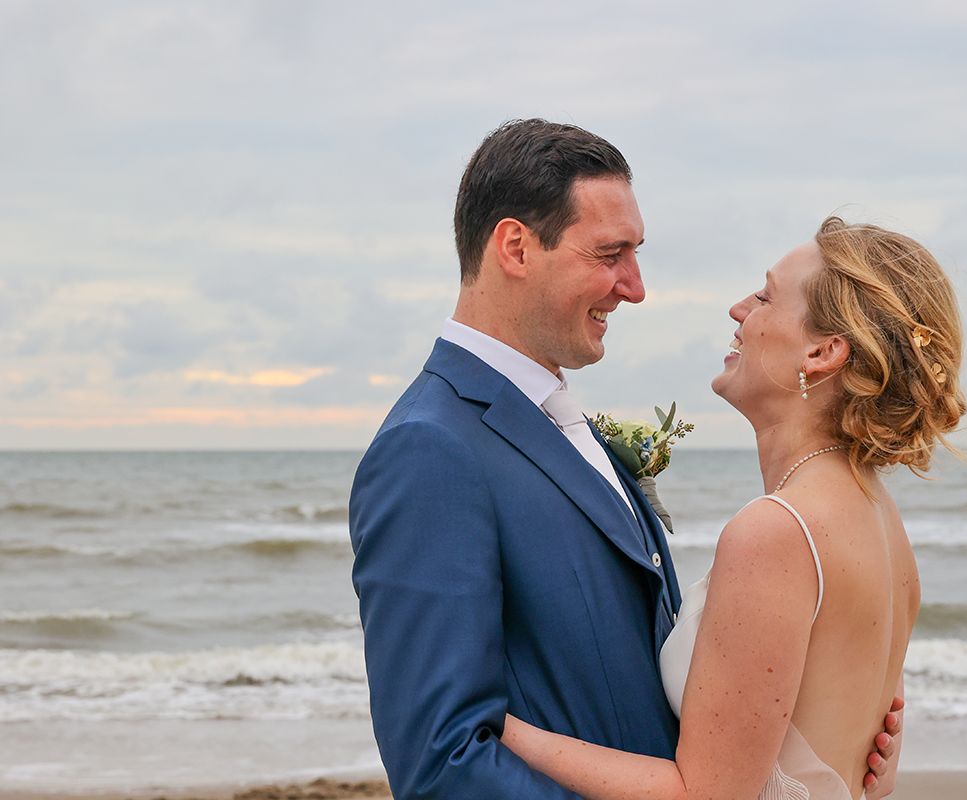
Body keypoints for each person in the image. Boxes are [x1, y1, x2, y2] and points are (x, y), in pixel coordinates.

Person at [348, 119, 900, 799]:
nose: (634, 287)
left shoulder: (561, 426)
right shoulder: (430, 449)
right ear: (516, 247)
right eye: (611, 254)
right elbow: (442, 765)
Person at [500, 216, 964, 799]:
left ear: (823, 352)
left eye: (766, 296)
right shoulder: (882, 520)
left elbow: (706, 795)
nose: (739, 309)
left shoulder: (778, 533)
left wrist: (502, 723)